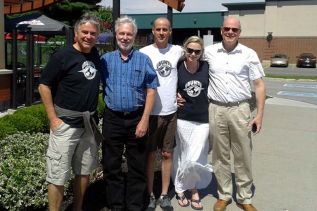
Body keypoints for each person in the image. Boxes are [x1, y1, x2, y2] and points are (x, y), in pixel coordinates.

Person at [38, 13, 102, 211]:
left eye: (93, 33)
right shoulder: (62, 56)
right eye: (85, 32)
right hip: (65, 124)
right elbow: (44, 86)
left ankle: (78, 208)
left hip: (88, 124)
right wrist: (53, 118)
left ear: (97, 36)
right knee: (57, 174)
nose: (88, 36)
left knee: (83, 171)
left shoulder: (95, 55)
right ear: (76, 33)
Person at [205, 17, 266, 211]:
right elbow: (191, 69)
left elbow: (259, 86)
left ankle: (244, 197)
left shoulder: (249, 54)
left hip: (241, 109)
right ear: (221, 30)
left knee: (243, 155)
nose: (230, 32)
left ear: (240, 32)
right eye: (227, 29)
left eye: (235, 29)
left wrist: (259, 115)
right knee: (219, 156)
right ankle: (224, 195)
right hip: (216, 108)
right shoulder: (209, 52)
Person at [100, 15, 159, 211]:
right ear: (116, 35)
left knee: (137, 167)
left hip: (137, 118)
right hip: (112, 119)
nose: (125, 37)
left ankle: (134, 206)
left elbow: (152, 89)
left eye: (129, 34)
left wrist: (144, 121)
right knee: (111, 166)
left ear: (134, 36)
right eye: (121, 33)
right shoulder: (105, 61)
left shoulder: (144, 60)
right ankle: (116, 206)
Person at [139, 17, 183, 210]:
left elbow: (192, 66)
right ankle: (149, 194)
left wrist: (183, 92)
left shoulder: (178, 51)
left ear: (170, 31)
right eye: (158, 29)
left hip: (171, 112)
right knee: (150, 155)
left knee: (167, 154)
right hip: (151, 113)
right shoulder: (143, 53)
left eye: (165, 29)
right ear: (153, 31)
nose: (162, 32)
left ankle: (164, 194)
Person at [172, 36, 213, 210]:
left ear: (201, 52)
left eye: (197, 51)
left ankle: (192, 186)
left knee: (196, 155)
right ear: (185, 50)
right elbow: (167, 84)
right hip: (183, 118)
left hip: (203, 119)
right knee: (182, 153)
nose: (193, 54)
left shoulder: (207, 67)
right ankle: (182, 188)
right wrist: (174, 96)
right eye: (190, 50)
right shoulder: (178, 66)